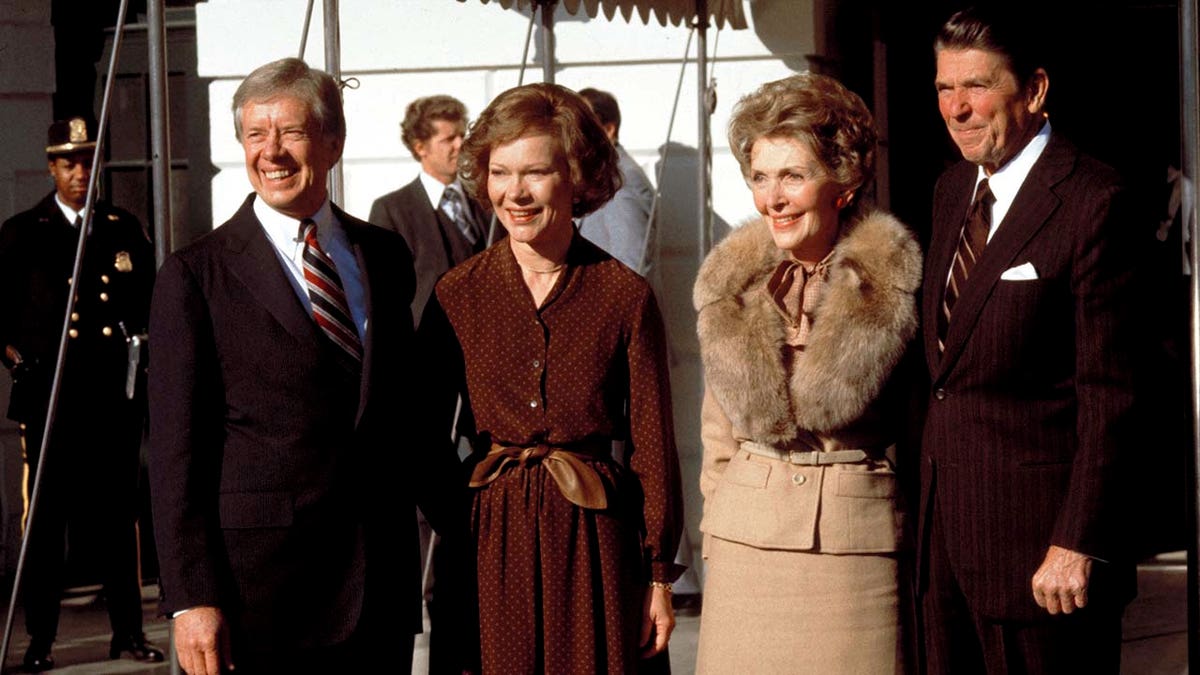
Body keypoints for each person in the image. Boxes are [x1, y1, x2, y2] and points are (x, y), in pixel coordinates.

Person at [148, 57, 464, 675]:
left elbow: (409, 421)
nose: (272, 153)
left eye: (290, 132)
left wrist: (476, 531)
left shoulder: (383, 254)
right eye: (255, 135)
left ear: (333, 142)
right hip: (259, 600)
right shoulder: (194, 276)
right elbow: (175, 455)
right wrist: (190, 599)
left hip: (379, 589)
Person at [417, 82, 684, 673]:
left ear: (577, 175)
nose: (515, 192)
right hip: (486, 548)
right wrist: (465, 517)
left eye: (534, 172)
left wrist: (659, 575)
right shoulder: (458, 294)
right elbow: (419, 432)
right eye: (499, 172)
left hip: (598, 545)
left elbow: (652, 447)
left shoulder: (624, 295)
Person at [920, 8, 1137, 673]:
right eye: (943, 88)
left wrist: (1077, 540)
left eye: (976, 86)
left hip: (1046, 565)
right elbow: (946, 376)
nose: (956, 108)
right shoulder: (952, 189)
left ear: (1035, 90)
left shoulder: (1094, 200)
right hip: (946, 556)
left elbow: (1115, 396)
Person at [692, 73, 921, 673]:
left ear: (842, 182)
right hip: (745, 551)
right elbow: (717, 430)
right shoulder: (729, 282)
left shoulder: (895, 284)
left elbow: (924, 431)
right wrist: (717, 526)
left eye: (793, 176)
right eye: (761, 178)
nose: (774, 198)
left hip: (855, 553)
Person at [0, 116, 162, 672]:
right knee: (46, 524)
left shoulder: (122, 229)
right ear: (51, 166)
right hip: (50, 403)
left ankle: (128, 632)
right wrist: (16, 358)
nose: (80, 172)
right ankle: (41, 640)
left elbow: (150, 305)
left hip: (111, 401)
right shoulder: (24, 233)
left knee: (119, 520)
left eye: (88, 161)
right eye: (69, 162)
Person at [369, 95, 488, 328]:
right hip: (427, 351)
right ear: (420, 147)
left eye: (462, 135)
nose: (460, 144)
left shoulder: (486, 200)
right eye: (448, 139)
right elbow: (383, 296)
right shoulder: (392, 210)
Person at [576, 87, 656, 276]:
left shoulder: (622, 180)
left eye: (581, 126)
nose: (571, 134)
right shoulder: (596, 175)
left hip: (610, 303)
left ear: (609, 130)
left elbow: (632, 266)